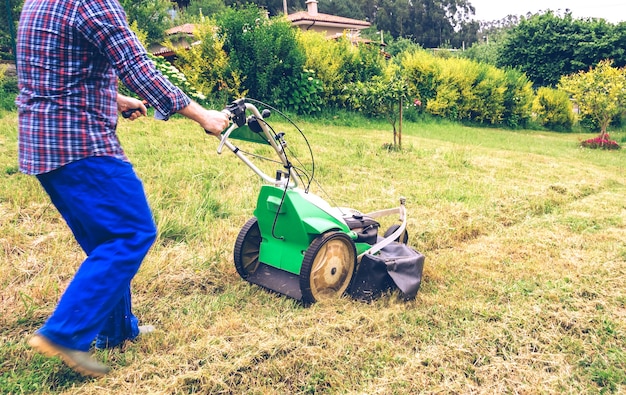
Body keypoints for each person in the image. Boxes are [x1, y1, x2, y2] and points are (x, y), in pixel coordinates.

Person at [16, 0, 230, 378]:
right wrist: (203, 115)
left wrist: (114, 99)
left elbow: (54, 71)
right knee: (132, 232)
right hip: (78, 144)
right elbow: (138, 66)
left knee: (107, 244)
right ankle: (65, 333)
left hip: (41, 145)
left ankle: (114, 331)